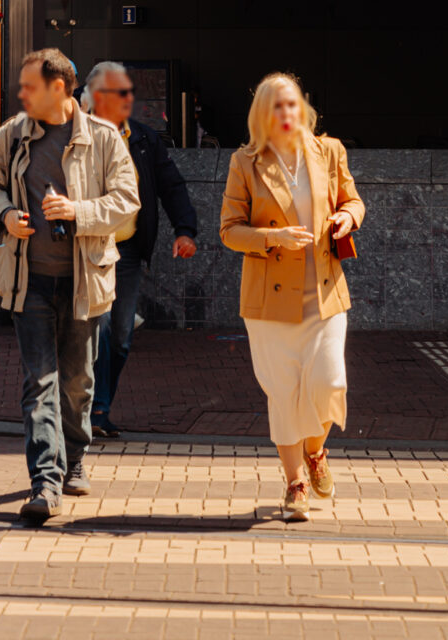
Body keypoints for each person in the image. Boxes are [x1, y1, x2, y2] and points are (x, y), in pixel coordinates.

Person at [0, 48, 140, 526]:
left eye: (31, 86)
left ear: (61, 88)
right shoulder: (12, 134)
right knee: (39, 381)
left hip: (84, 280)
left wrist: (79, 212)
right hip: (28, 280)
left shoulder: (105, 138)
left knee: (77, 381)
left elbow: (127, 202)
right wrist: (6, 215)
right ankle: (45, 482)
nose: (22, 94)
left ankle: (75, 455)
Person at [220, 73, 365, 523]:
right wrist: (272, 237)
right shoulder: (246, 162)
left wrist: (347, 217)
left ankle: (316, 451)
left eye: (292, 104)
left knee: (329, 383)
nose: (286, 113)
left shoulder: (329, 151)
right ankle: (295, 481)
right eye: (276, 107)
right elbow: (229, 231)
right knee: (283, 394)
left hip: (324, 295)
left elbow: (354, 200)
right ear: (263, 114)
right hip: (269, 304)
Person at [82, 61, 198, 440]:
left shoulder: (145, 141)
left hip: (128, 251)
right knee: (95, 332)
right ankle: (94, 411)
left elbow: (172, 186)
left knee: (121, 335)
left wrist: (185, 230)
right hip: (86, 250)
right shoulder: (75, 136)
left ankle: (100, 406)